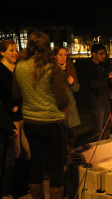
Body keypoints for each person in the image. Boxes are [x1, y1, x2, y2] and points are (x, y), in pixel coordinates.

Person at [14, 31, 70, 199]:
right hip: (52, 123)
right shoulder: (51, 67)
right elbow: (62, 99)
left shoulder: (20, 66)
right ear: (47, 47)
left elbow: (16, 94)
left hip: (30, 123)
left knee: (36, 164)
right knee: (56, 167)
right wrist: (62, 110)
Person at [0, 39, 30, 198]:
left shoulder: (18, 68)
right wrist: (10, 105)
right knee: (15, 153)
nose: (14, 53)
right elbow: (4, 95)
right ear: (2, 52)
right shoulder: (1, 70)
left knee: (27, 153)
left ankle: (22, 185)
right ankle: (11, 189)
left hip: (23, 115)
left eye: (15, 50)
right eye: (10, 50)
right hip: (10, 118)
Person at [53, 45, 81, 147]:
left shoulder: (70, 69)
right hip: (58, 109)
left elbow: (77, 88)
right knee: (60, 137)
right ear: (55, 56)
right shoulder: (52, 70)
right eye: (60, 55)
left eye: (65, 55)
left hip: (70, 108)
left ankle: (70, 155)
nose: (63, 57)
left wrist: (72, 83)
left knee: (71, 135)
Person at [84, 43, 110, 140]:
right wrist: (107, 76)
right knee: (97, 130)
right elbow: (93, 84)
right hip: (96, 103)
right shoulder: (89, 67)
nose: (104, 56)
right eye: (101, 53)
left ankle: (101, 148)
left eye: (105, 53)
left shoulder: (100, 66)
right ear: (94, 54)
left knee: (103, 128)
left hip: (103, 101)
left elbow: (103, 84)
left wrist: (111, 89)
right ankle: (96, 150)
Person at [0, 99, 18, 199]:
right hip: (4, 136)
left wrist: (11, 129)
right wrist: (11, 131)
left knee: (9, 165)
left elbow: (4, 116)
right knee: (5, 166)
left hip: (6, 136)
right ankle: (4, 192)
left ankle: (5, 192)